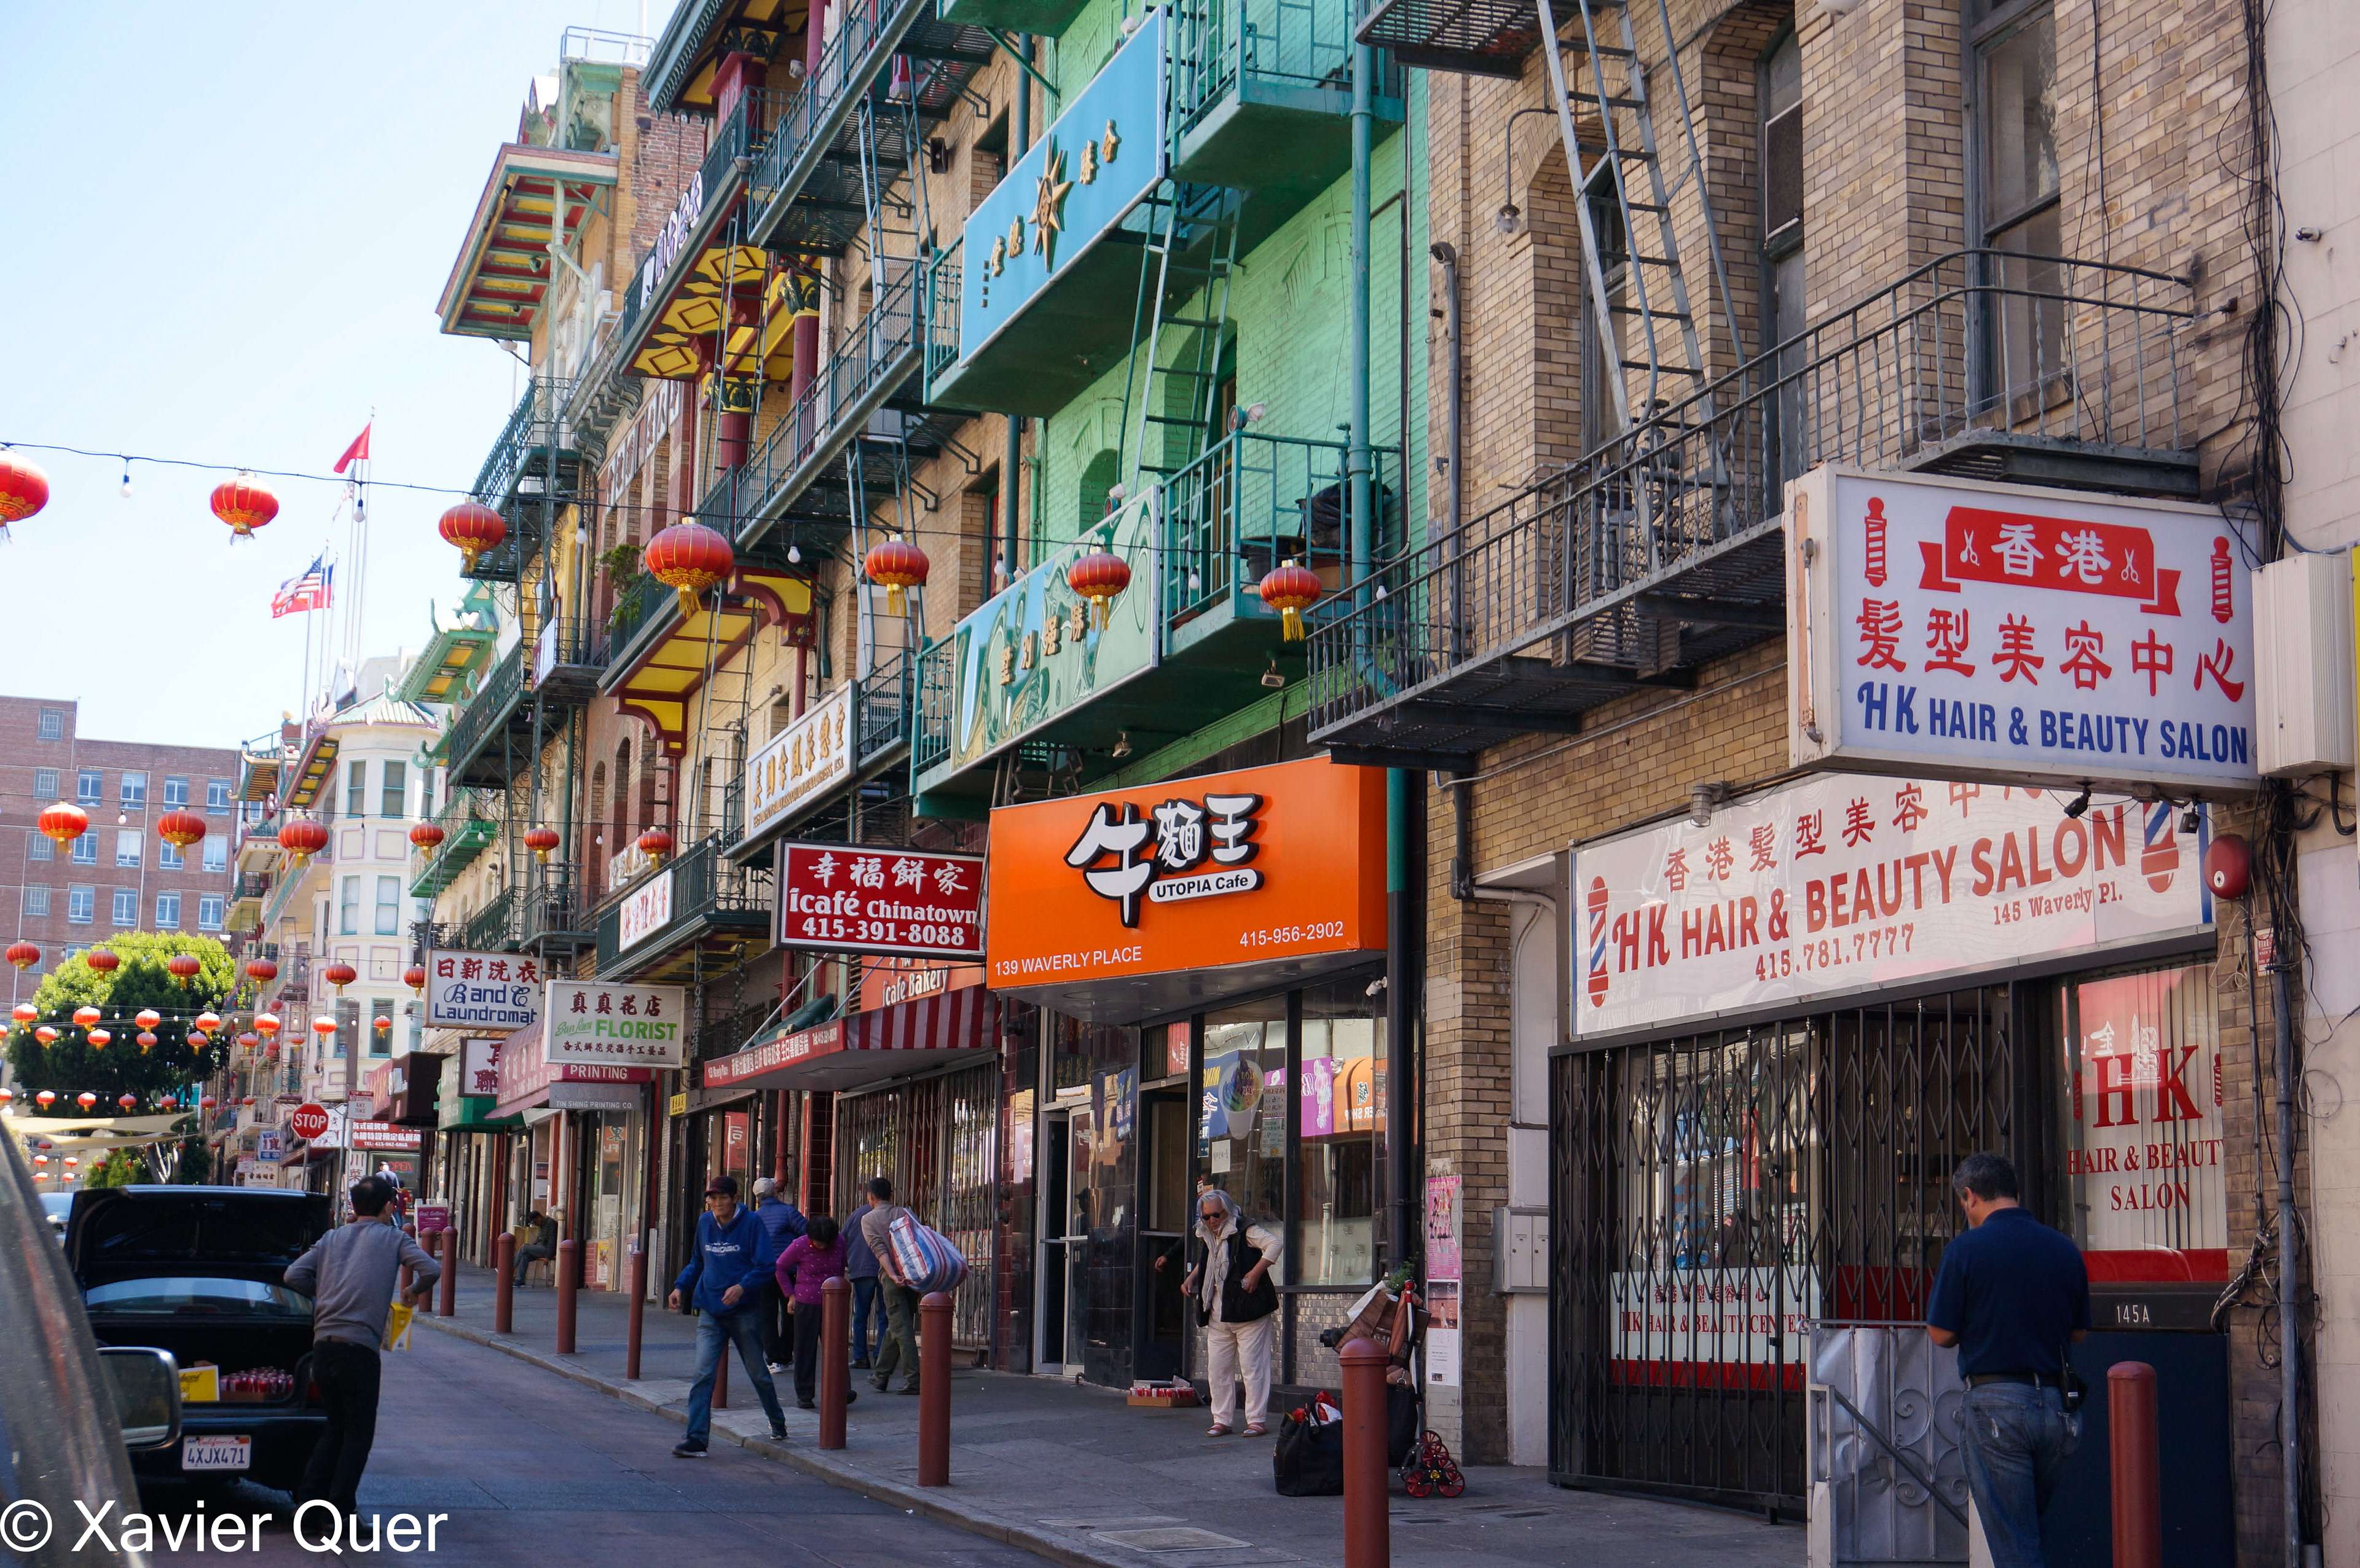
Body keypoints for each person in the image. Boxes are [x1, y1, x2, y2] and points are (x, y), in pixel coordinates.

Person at [1925, 1152, 2090, 1568]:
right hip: (2057, 1409)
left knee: (2016, 1541)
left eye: (1964, 1204)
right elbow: (2079, 1332)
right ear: (2015, 1193)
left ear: (1969, 1197)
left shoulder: (1965, 1251)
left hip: (1996, 1407)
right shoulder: (2063, 1248)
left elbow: (1941, 1334)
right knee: (2028, 1528)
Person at [283, 1175, 439, 1524]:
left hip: (323, 1347)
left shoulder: (331, 1238)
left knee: (334, 1429)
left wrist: (324, 1294)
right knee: (357, 1435)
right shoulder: (394, 1237)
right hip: (360, 1351)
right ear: (388, 1207)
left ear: (354, 1206)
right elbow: (431, 1268)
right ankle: (341, 1511)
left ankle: (308, 1510)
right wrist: (413, 1291)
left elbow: (293, 1276)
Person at [667, 1175, 790, 1455]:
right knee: (702, 1374)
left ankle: (777, 1421)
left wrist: (742, 1287)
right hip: (710, 1308)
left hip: (744, 1312)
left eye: (724, 1198)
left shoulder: (752, 1223)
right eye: (713, 1198)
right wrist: (680, 1286)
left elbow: (767, 1265)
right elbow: (698, 1260)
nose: (718, 1203)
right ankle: (696, 1438)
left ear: (736, 1199)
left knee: (758, 1373)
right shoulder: (704, 1223)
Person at [1179, 1188, 1281, 1437]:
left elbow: (1274, 1244)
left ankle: (1256, 1420)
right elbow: (1209, 1261)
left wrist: (1255, 1273)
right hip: (1218, 1313)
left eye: (1217, 1215)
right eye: (1207, 1217)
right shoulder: (1207, 1235)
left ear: (1228, 1210)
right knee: (1217, 1368)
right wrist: (1192, 1279)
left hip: (1249, 1312)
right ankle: (1221, 1420)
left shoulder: (1246, 1229)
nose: (1212, 1221)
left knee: (1252, 1367)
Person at [773, 1215, 858, 1411]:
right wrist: (790, 1295)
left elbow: (843, 1263)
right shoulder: (799, 1245)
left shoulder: (839, 1242)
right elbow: (780, 1268)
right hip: (806, 1301)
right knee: (805, 1349)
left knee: (836, 1346)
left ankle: (842, 1390)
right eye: (818, 1243)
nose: (822, 1247)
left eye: (825, 1243)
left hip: (834, 1301)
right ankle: (804, 1394)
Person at [857, 1176, 921, 1395]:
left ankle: (914, 1379)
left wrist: (892, 1275)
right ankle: (881, 1375)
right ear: (891, 1195)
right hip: (912, 1276)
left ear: (871, 1197)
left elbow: (880, 1250)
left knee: (901, 1328)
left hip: (892, 1278)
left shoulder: (868, 1219)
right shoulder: (905, 1213)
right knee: (897, 1325)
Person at [750, 1175, 807, 1373]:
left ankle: (773, 1356)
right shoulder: (788, 1212)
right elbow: (808, 1232)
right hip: (789, 1270)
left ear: (757, 1198)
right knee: (790, 1312)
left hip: (763, 1272)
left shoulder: (753, 1218)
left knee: (767, 1315)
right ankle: (785, 1354)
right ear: (775, 1192)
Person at [842, 1202, 883, 1369]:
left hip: (861, 1269)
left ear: (871, 1196)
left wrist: (847, 1263)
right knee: (885, 1317)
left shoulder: (857, 1214)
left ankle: (860, 1356)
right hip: (885, 1270)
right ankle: (881, 1357)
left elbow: (843, 1238)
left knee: (860, 1315)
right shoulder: (894, 1214)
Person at [513, 1207, 559, 1286]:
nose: (536, 1225)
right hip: (540, 1247)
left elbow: (552, 1241)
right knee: (525, 1255)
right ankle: (520, 1279)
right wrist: (532, 1247)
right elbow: (538, 1240)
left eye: (535, 1222)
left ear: (539, 1218)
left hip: (546, 1249)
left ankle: (510, 1267)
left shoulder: (551, 1223)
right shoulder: (542, 1226)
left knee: (524, 1247)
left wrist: (548, 1257)